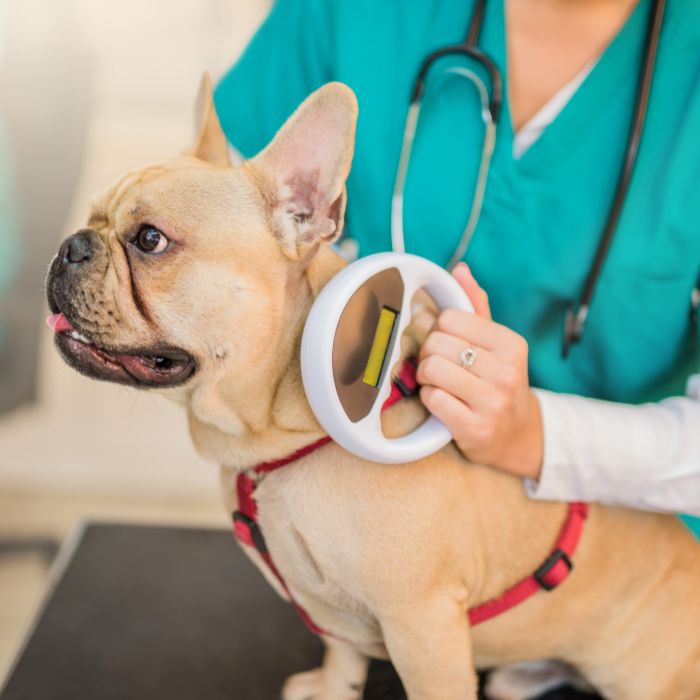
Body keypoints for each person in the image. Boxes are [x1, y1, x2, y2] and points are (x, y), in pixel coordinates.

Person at [213, 0, 700, 538]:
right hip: (359, 510)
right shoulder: (351, 14)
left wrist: (533, 434)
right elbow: (210, 234)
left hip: (626, 557)